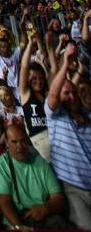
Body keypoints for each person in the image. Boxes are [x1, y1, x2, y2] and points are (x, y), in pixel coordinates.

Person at [45, 43, 91, 230]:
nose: (72, 97)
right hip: (74, 188)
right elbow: (54, 95)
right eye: (67, 93)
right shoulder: (55, 116)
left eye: (74, 93)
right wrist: (65, 64)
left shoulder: (87, 116)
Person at [0, 124, 68, 230]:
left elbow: (59, 198)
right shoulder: (1, 164)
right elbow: (4, 201)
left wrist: (44, 208)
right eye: (14, 142)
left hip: (43, 219)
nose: (20, 146)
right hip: (17, 221)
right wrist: (19, 226)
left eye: (23, 141)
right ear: (7, 143)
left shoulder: (40, 162)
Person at [18, 32, 49, 161]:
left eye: (40, 78)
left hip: (56, 139)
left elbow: (48, 76)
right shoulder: (26, 94)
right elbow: (25, 67)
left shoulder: (47, 95)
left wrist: (42, 64)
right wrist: (30, 44)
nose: (38, 81)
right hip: (38, 143)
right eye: (34, 78)